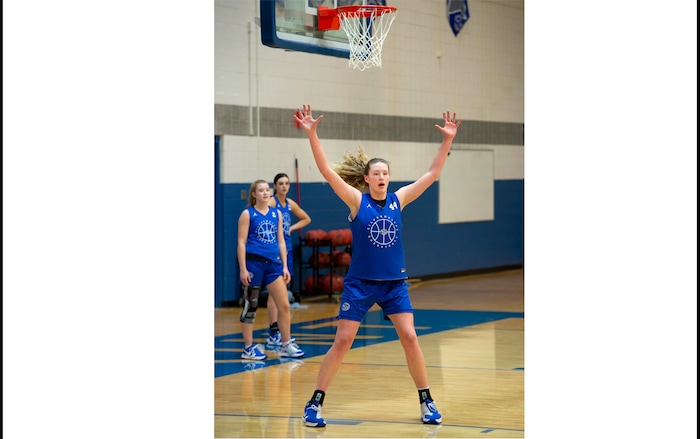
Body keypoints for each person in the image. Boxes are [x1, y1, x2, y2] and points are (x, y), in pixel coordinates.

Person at [293, 104, 462, 427]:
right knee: (343, 340)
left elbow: (432, 174)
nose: (382, 177)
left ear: (389, 177)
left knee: (410, 337)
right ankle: (315, 402)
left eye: (386, 173)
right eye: (377, 173)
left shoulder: (400, 199)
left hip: (394, 283)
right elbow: (328, 171)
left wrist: (447, 141)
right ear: (367, 179)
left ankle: (426, 400)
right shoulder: (358, 200)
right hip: (360, 282)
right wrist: (312, 134)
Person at [238, 179, 305, 360]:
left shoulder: (276, 214)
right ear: (254, 194)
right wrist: (243, 268)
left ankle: (286, 343)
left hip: (274, 265)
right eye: (261, 191)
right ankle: (248, 348)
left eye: (267, 190)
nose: (265, 193)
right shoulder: (247, 214)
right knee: (250, 306)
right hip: (254, 264)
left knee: (283, 305)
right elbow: (241, 242)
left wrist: (284, 266)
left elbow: (281, 241)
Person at [265, 172, 312, 346]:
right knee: (275, 293)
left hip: (287, 249)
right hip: (275, 251)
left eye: (287, 183)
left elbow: (307, 218)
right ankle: (274, 331)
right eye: (281, 183)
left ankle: (278, 332)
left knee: (281, 291)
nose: (284, 186)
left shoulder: (289, 204)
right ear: (275, 186)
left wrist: (291, 228)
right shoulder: (271, 202)